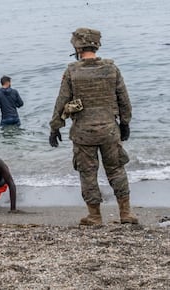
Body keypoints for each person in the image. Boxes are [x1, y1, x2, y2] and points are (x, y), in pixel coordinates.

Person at [49, 27, 138, 225]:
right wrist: (125, 124)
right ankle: (126, 213)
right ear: (96, 45)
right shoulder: (111, 69)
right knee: (116, 170)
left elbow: (61, 101)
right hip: (109, 130)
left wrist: (55, 127)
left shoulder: (72, 71)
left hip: (83, 134)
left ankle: (95, 216)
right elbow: (124, 100)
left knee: (88, 174)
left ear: (77, 46)